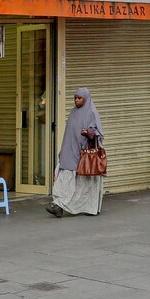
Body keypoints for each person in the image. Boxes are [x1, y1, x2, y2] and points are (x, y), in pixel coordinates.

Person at [48, 87, 107, 217]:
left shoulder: (91, 113)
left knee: (86, 183)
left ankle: (90, 208)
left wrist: (90, 132)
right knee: (65, 178)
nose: (76, 100)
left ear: (86, 99)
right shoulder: (73, 112)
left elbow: (99, 134)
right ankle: (58, 204)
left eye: (79, 98)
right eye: (75, 98)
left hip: (85, 154)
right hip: (70, 151)